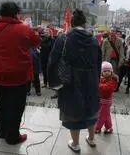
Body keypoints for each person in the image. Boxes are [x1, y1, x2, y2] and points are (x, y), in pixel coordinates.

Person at [0, 2, 41, 145]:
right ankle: (13, 136)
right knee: (16, 106)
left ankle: (3, 132)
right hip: (18, 76)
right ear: (16, 13)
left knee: (2, 104)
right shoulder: (23, 28)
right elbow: (36, 41)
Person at [48, 9, 102, 153]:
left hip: (70, 80)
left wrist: (53, 81)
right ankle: (91, 139)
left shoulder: (63, 39)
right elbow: (98, 63)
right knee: (91, 107)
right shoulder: (94, 41)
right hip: (90, 80)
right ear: (84, 23)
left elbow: (53, 61)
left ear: (71, 23)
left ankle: (76, 144)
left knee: (73, 109)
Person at [95, 62, 118, 134]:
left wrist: (98, 85)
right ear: (101, 72)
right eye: (104, 71)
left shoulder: (113, 80)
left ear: (111, 72)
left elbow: (106, 88)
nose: (106, 73)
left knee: (101, 115)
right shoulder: (102, 78)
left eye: (108, 71)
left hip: (106, 102)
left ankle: (97, 128)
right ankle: (109, 127)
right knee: (106, 115)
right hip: (101, 100)